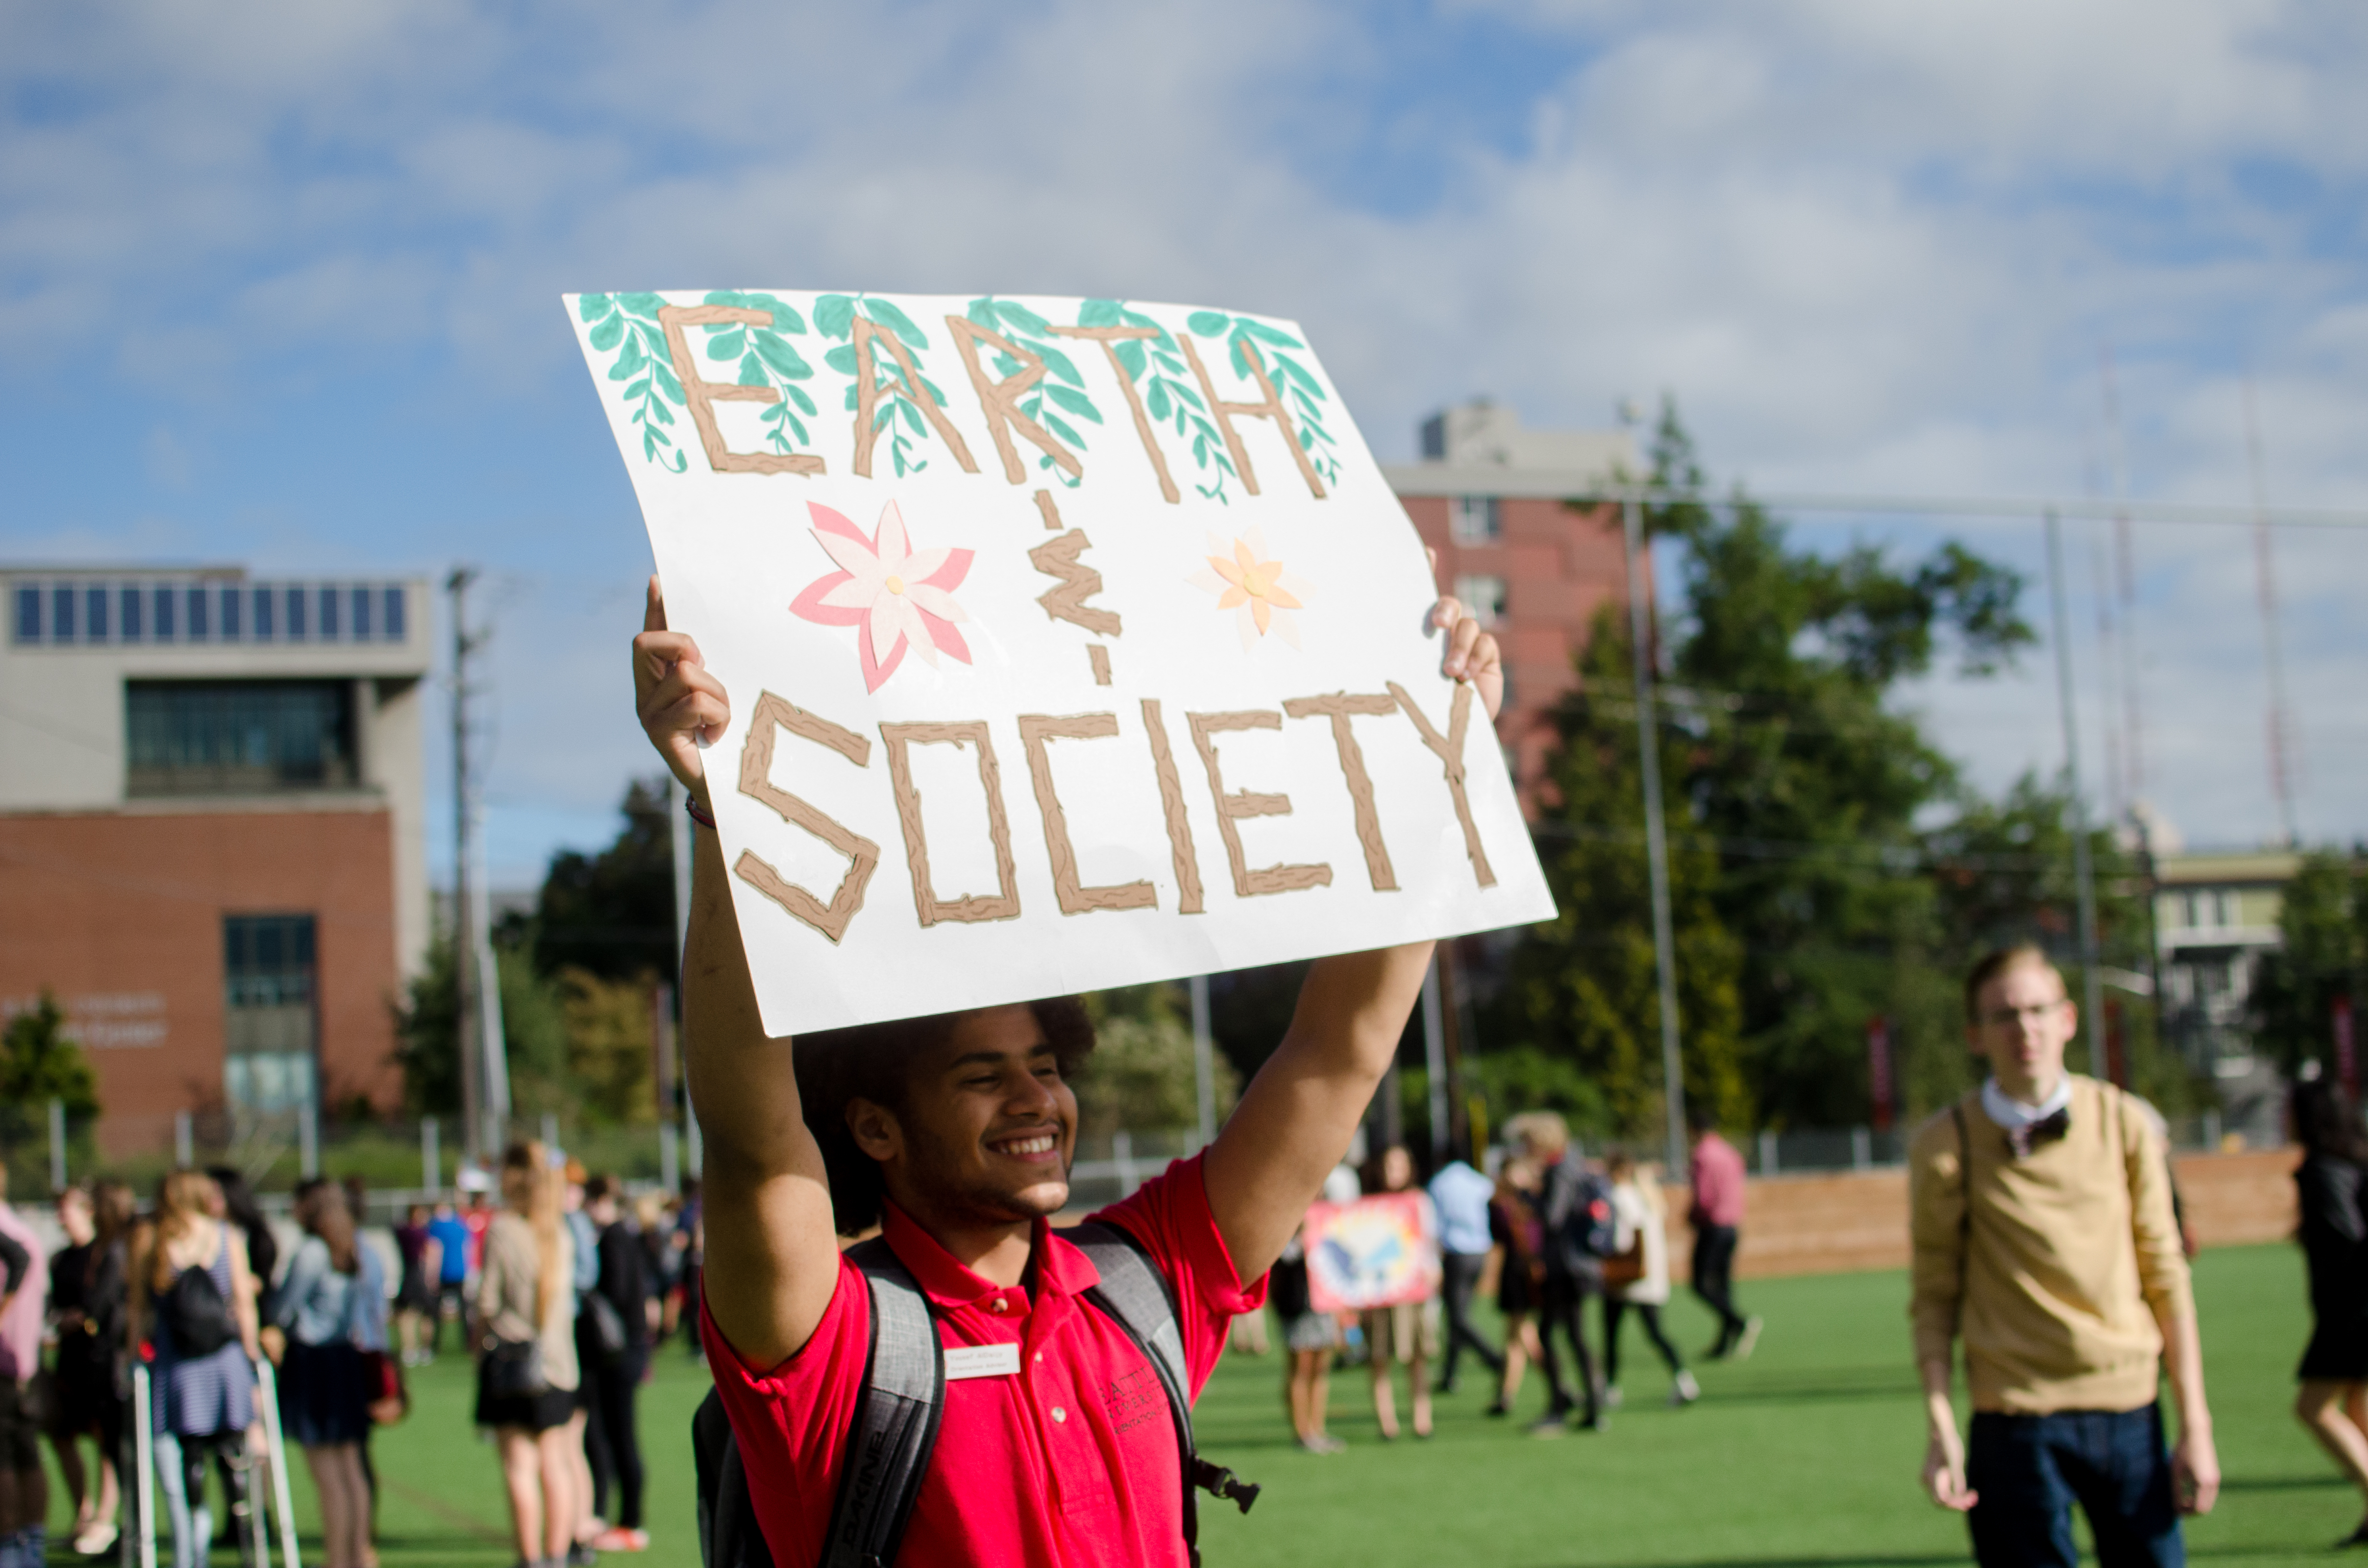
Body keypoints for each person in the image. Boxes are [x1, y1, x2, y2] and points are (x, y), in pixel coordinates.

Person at [634, 568, 1499, 1565]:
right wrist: (727, 814)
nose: (1035, 1096)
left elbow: (1337, 1056)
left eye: (1044, 1063)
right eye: (981, 1075)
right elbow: (752, 1137)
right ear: (876, 1126)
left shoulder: (1146, 1281)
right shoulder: (832, 1341)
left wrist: (1444, 758)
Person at [1910, 943, 2218, 1566]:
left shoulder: (2123, 1122)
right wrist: (1941, 1422)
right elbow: (1934, 1297)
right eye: (2003, 1015)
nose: (2024, 1028)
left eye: (2037, 1009)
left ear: (2068, 1019)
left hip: (2129, 1411)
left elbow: (2165, 1273)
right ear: (1976, 1035)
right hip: (2015, 1423)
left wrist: (2196, 1424)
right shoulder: (1948, 1144)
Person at [131, 1170, 264, 1568]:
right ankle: (242, 1533)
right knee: (231, 1451)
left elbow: (138, 1308)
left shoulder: (152, 1238)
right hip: (224, 1362)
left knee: (187, 1457)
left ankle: (193, 1548)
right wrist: (253, 1353)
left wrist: (131, 1356)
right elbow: (243, 1300)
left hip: (179, 1366)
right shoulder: (225, 1236)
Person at [267, 1181, 384, 1568]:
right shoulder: (351, 1248)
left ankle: (339, 1559)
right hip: (343, 1358)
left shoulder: (313, 1252)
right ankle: (358, 1555)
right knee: (351, 1468)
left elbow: (284, 1308)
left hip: (316, 1361)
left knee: (329, 1473)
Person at [474, 1142, 580, 1568]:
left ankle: (531, 1558)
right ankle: (557, 1555)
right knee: (556, 1464)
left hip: (514, 1363)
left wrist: (479, 1339)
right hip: (558, 1365)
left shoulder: (504, 1231)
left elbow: (486, 1302)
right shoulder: (561, 1232)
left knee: (521, 1467)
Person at [2286, 1074, 2368, 1544]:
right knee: (2356, 1406)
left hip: (2351, 1312)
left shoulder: (2321, 1170)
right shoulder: (2354, 1161)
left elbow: (2349, 1240)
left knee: (2312, 1409)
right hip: (2355, 1308)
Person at [49, 1180, 132, 1557]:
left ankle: (106, 1518)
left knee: (107, 1440)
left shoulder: (108, 1253)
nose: (59, 1216)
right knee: (62, 1432)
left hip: (101, 1359)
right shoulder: (62, 1258)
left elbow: (105, 1306)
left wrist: (83, 1319)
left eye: (66, 1208)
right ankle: (83, 1512)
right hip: (71, 1358)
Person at [1519, 1112, 1605, 1434]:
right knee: (1573, 1335)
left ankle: (1562, 1405)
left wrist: (1526, 1193)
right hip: (1579, 1264)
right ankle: (1591, 1404)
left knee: (1557, 1335)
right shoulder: (1574, 1165)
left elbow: (1551, 1218)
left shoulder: (1560, 1171)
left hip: (1568, 1267)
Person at [581, 1176, 654, 1552]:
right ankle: (622, 1519)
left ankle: (630, 1521)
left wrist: (587, 1297)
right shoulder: (623, 1235)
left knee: (618, 1436)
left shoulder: (612, 1237)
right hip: (628, 1349)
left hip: (617, 1353)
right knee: (615, 1435)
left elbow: (617, 1291)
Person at [1601, 1151, 1697, 1409]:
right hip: (1651, 1278)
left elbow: (1621, 1238)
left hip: (1625, 1278)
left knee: (1612, 1335)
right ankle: (1683, 1379)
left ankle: (1609, 1388)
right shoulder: (1647, 1196)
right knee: (1655, 1332)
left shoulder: (1618, 1197)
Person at [1360, 1146, 1441, 1440]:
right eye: (1389, 1165)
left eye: (1401, 1165)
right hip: (1380, 1292)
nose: (1395, 1171)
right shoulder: (1368, 1205)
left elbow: (1429, 1242)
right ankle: (1388, 1423)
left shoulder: (1419, 1201)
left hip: (1413, 1290)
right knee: (1379, 1357)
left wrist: (1433, 1273)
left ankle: (1423, 1420)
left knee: (1418, 1356)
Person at [0, 1167, 49, 1568]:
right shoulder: (19, 1228)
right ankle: (27, 1545)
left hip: (7, 1363)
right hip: (21, 1360)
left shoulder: (12, 1234)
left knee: (11, 1457)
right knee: (24, 1454)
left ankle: (16, 1545)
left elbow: (20, 1260)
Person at [1427, 1150, 1504, 1396]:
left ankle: (1493, 1358)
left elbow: (1434, 1224)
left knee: (1458, 1317)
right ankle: (1450, 1373)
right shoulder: (1480, 1181)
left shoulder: (1439, 1183)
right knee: (1460, 1314)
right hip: (1480, 1252)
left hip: (1456, 1253)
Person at [1687, 1112, 1758, 1360]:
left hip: (1713, 1225)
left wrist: (1692, 1216)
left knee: (1700, 1284)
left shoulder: (1702, 1156)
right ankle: (1723, 1342)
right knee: (1723, 1285)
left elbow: (1704, 1197)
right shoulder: (1730, 1153)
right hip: (1732, 1225)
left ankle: (1738, 1321)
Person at [1269, 1222, 1342, 1452]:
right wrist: (1302, 1237)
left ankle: (1318, 1429)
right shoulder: (1285, 1225)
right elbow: (1284, 1259)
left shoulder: (1326, 1220)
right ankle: (1302, 1432)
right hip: (1297, 1306)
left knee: (1320, 1369)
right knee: (1300, 1368)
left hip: (1324, 1304)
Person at [1487, 1150, 1546, 1418]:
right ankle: (1506, 1393)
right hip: (1514, 1269)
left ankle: (1508, 1393)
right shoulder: (1500, 1203)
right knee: (1517, 1335)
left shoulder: (1536, 1200)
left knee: (1521, 1335)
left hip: (1529, 1268)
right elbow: (1499, 1233)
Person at [393, 1203, 442, 1367]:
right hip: (417, 1275)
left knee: (412, 1315)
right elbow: (431, 1252)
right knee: (415, 1315)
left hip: (411, 1274)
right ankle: (419, 1349)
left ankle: (413, 1350)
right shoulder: (420, 1233)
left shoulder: (404, 1232)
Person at [426, 1199, 473, 1354]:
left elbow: (434, 1251)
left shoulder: (436, 1227)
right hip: (460, 1272)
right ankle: (468, 1343)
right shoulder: (461, 1225)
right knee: (464, 1310)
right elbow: (469, 1248)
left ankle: (435, 1345)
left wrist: (431, 1275)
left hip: (443, 1273)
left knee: (436, 1311)